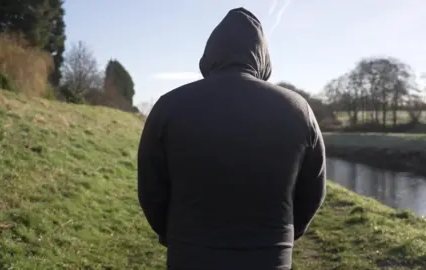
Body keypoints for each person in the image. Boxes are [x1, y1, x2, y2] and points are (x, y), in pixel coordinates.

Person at [137, 7, 326, 270]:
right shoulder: (298, 109)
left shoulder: (169, 106)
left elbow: (151, 189)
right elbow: (312, 192)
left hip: (190, 255)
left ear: (210, 53)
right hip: (269, 256)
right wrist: (284, 236)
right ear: (263, 57)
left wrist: (173, 235)